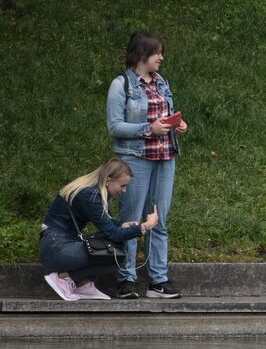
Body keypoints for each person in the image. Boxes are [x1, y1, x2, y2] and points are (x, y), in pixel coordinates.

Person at [107, 30, 187, 300]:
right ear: (142, 54)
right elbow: (115, 126)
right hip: (136, 160)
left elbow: (163, 117)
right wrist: (148, 129)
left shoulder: (161, 82)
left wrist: (176, 124)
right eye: (157, 53)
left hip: (165, 158)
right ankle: (126, 279)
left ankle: (158, 280)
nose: (161, 57)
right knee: (131, 219)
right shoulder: (122, 85)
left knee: (159, 219)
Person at [39, 158, 157, 301]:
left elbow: (107, 224)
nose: (124, 190)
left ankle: (83, 284)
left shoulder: (92, 192)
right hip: (56, 248)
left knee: (116, 252)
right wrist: (144, 226)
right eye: (123, 185)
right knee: (115, 253)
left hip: (60, 245)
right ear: (108, 180)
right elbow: (113, 233)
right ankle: (62, 278)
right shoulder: (89, 195)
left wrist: (123, 225)